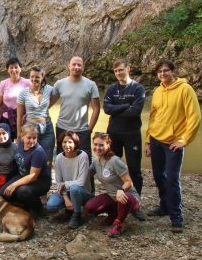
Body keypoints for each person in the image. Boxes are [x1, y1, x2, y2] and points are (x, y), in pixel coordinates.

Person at [145, 59, 200, 232]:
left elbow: (194, 117)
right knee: (158, 176)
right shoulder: (158, 90)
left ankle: (176, 216)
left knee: (172, 179)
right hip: (155, 139)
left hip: (173, 143)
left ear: (173, 71)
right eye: (159, 72)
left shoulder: (185, 89)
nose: (163, 74)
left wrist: (184, 140)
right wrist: (148, 139)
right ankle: (164, 206)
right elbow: (153, 116)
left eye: (166, 70)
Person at [85, 133, 141, 238]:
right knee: (90, 207)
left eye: (101, 145)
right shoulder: (96, 162)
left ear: (108, 145)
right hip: (113, 197)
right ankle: (116, 212)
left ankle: (119, 223)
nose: (97, 148)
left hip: (129, 196)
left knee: (125, 197)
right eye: (95, 144)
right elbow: (85, 177)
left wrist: (121, 189)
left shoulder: (115, 161)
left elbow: (129, 182)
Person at [103, 59, 145, 196]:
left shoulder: (138, 88)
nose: (118, 73)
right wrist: (126, 106)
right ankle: (116, 195)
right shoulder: (111, 89)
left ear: (128, 68)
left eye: (121, 69)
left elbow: (135, 111)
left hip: (132, 134)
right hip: (114, 133)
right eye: (115, 71)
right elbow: (107, 109)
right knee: (113, 166)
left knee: (134, 168)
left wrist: (117, 109)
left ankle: (136, 198)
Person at [51, 55, 100, 160]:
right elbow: (48, 104)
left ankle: (86, 177)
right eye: (74, 64)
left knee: (85, 159)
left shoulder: (91, 85)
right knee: (62, 158)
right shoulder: (59, 84)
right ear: (69, 66)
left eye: (79, 65)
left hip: (82, 130)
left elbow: (96, 108)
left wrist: (89, 129)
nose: (76, 67)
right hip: (62, 128)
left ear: (83, 67)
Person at [0, 124, 51, 217]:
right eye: (29, 138)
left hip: (40, 181)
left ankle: (38, 208)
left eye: (34, 138)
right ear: (22, 137)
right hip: (23, 175)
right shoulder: (20, 144)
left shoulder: (38, 152)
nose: (32, 141)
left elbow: (33, 177)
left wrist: (14, 185)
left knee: (22, 191)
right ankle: (23, 206)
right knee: (3, 193)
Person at [46, 131, 92, 229]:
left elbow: (81, 182)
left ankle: (77, 214)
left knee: (75, 188)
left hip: (82, 191)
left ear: (75, 143)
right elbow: (59, 182)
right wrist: (66, 199)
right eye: (64, 142)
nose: (67, 145)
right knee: (50, 206)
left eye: (70, 142)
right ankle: (70, 207)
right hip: (66, 191)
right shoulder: (58, 158)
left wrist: (65, 184)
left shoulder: (83, 156)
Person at [17, 66, 55, 165]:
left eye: (37, 77)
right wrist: (18, 134)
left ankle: (46, 180)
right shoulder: (23, 93)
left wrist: (46, 108)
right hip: (30, 128)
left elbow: (59, 94)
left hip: (47, 128)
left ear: (42, 77)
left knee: (47, 160)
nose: (34, 79)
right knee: (29, 158)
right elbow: (19, 116)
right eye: (32, 76)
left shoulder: (49, 89)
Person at [0, 58, 31, 139]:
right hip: (5, 119)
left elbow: (32, 103)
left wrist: (27, 115)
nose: (13, 70)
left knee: (21, 143)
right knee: (5, 144)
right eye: (11, 67)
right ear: (7, 70)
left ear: (20, 69)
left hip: (22, 118)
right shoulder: (3, 83)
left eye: (16, 67)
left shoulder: (28, 83)